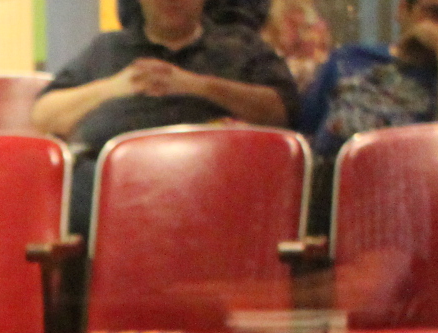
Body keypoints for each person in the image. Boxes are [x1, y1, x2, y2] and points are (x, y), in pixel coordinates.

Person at [35, 0, 300, 230]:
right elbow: (43, 116)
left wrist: (197, 85)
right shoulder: (106, 49)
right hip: (111, 194)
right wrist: (116, 86)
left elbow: (282, 111)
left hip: (217, 189)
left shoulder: (240, 45)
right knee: (68, 182)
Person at [300, 0, 438, 159]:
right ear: (403, 10)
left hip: (415, 184)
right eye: (434, 14)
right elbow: (304, 128)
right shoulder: (349, 57)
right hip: (332, 177)